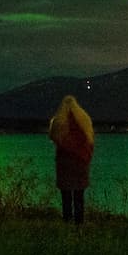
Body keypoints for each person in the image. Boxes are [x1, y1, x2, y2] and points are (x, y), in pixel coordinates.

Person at [48, 95, 94, 224]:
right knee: (79, 194)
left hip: (65, 163)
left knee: (66, 195)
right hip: (81, 162)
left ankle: (67, 220)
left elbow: (53, 137)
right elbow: (89, 142)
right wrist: (86, 157)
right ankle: (79, 222)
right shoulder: (84, 121)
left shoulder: (58, 121)